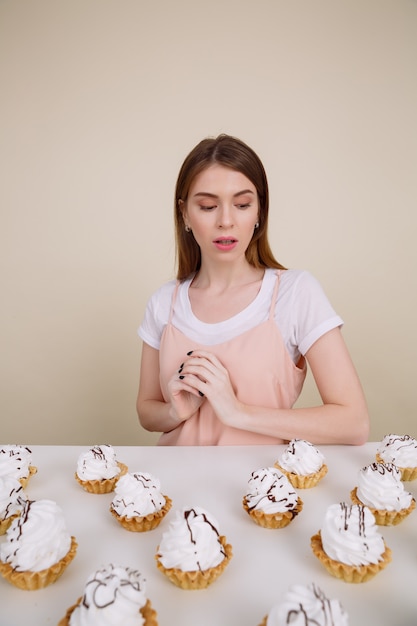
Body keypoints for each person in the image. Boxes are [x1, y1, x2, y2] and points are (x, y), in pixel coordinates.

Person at [136, 134, 369, 446]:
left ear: (259, 211)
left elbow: (353, 423)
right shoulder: (165, 301)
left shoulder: (296, 293)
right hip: (173, 488)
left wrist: (237, 413)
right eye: (207, 206)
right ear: (184, 213)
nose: (226, 221)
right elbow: (146, 411)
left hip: (263, 492)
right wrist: (176, 412)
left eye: (243, 204)